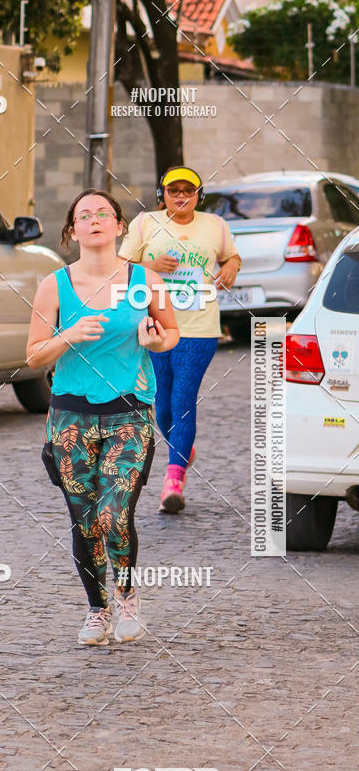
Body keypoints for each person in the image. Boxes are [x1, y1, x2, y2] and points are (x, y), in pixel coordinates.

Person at [26, 189, 179, 646]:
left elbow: (171, 333)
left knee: (114, 514)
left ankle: (127, 595)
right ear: (72, 231)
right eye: (84, 215)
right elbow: (34, 356)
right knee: (85, 519)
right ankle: (98, 609)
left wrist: (155, 341)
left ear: (119, 226)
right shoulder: (53, 285)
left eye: (103, 214)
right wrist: (68, 335)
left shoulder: (145, 280)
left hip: (128, 412)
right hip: (70, 417)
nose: (94, 220)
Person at [118, 165, 242, 513]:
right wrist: (150, 266)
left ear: (199, 195)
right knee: (163, 405)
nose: (182, 196)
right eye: (174, 191)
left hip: (199, 327)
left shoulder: (215, 225)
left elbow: (231, 255)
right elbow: (119, 267)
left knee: (183, 398)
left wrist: (233, 264)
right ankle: (182, 448)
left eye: (189, 190)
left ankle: (173, 482)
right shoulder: (145, 223)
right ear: (163, 195)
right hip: (154, 324)